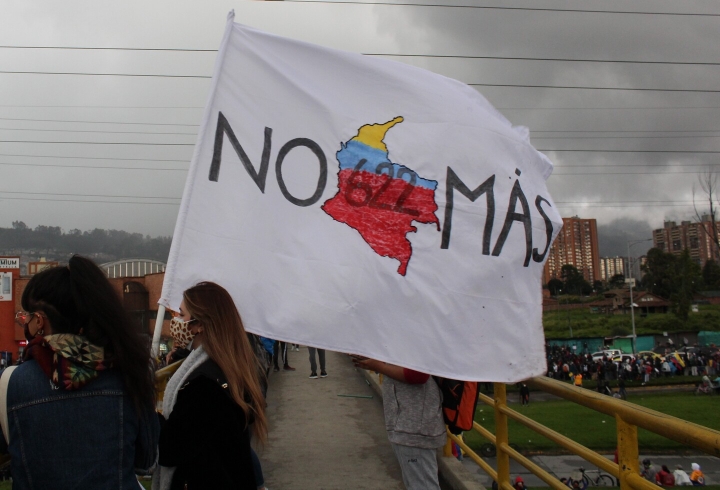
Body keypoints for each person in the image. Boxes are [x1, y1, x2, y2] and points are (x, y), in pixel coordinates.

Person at [1, 255, 159, 489]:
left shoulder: (11, 382)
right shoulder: (130, 371)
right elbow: (146, 462)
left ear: (40, 321)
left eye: (26, 317)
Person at [154, 282, 268, 490]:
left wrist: (153, 415)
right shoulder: (230, 367)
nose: (176, 321)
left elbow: (172, 448)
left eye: (181, 314)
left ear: (200, 325)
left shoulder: (202, 385)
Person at [353, 356, 446, 490]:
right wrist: (378, 363)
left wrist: (379, 366)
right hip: (410, 423)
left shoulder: (416, 337)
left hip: (414, 426)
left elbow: (418, 375)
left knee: (422, 486)